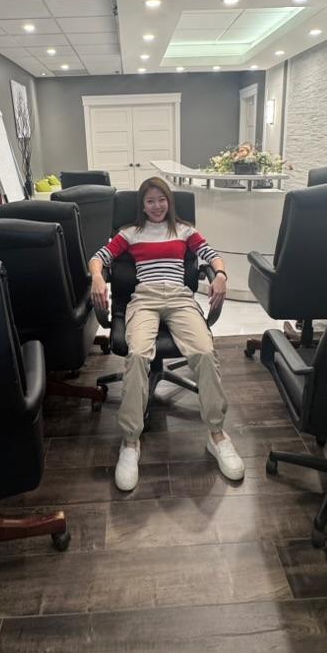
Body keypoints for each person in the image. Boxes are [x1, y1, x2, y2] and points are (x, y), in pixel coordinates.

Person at [89, 177, 245, 491]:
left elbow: (212, 255)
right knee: (137, 355)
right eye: (150, 201)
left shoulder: (184, 230)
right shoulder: (129, 233)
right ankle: (130, 442)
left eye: (161, 199)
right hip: (144, 299)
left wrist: (221, 275)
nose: (157, 206)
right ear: (142, 205)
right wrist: (96, 278)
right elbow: (98, 258)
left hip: (179, 298)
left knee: (204, 352)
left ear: (169, 202)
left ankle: (217, 436)